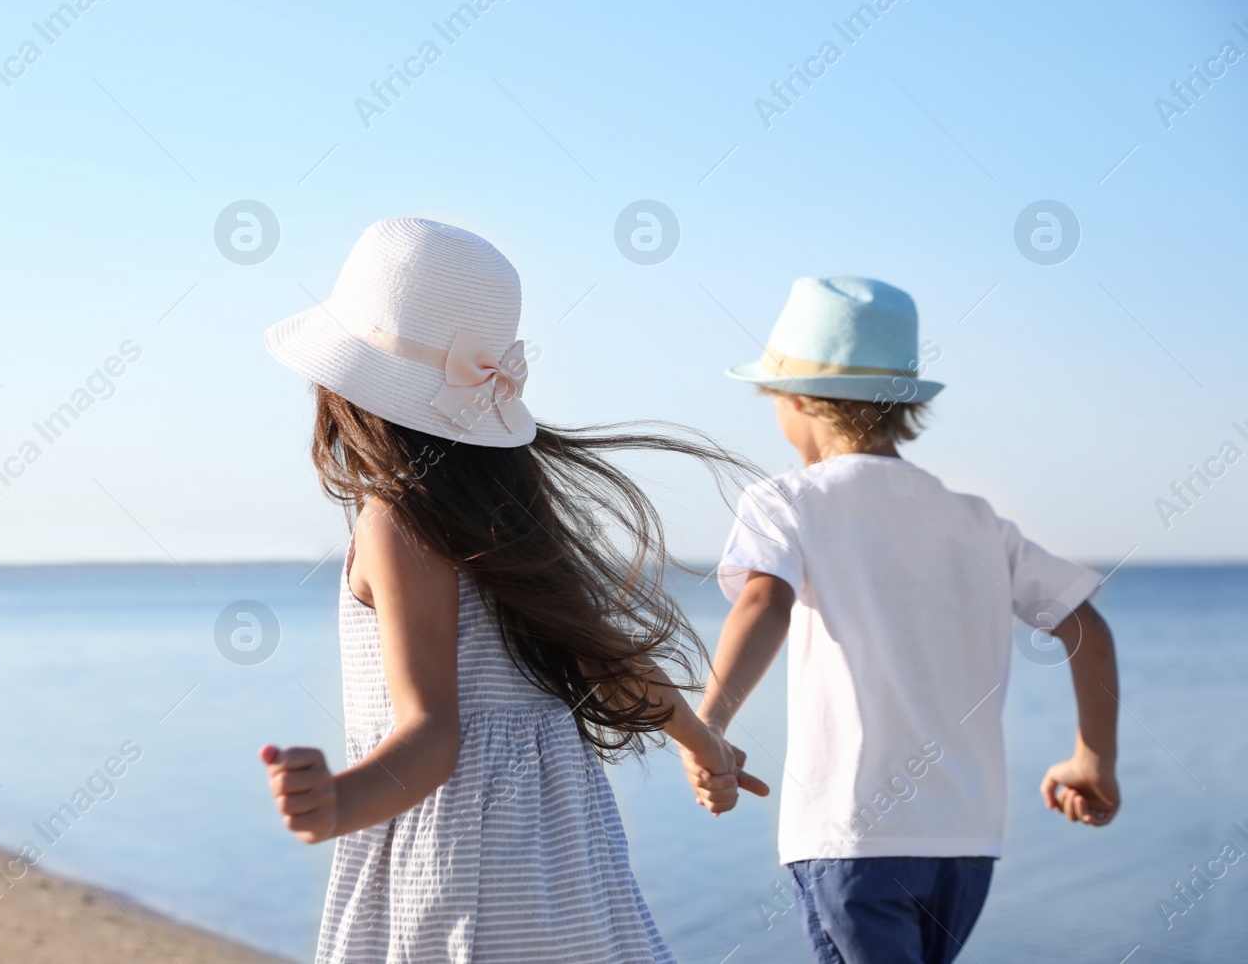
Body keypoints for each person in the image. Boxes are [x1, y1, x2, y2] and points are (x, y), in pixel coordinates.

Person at [257, 217, 766, 963]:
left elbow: (434, 734)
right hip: (562, 872)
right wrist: (704, 742)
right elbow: (605, 660)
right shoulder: (510, 516)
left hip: (461, 868)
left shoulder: (398, 520)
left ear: (343, 385)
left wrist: (343, 800)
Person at [685, 276, 1120, 964]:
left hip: (853, 839)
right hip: (966, 846)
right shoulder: (977, 521)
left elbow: (764, 603)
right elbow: (1086, 628)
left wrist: (709, 723)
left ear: (795, 401)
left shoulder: (787, 502)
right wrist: (1093, 758)